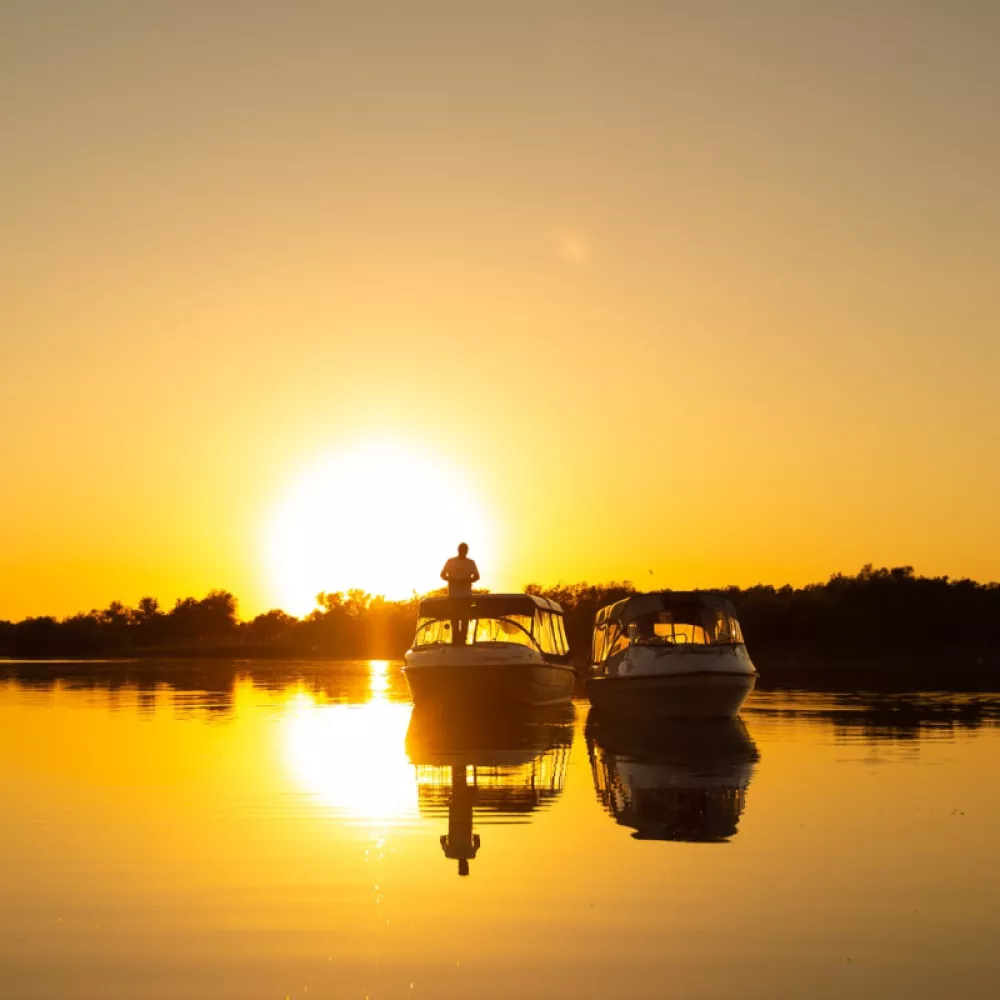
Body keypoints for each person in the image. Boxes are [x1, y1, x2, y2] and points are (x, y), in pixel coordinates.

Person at [440, 543, 480, 644]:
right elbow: (442, 575)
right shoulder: (450, 561)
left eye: (465, 550)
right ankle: (455, 640)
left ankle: (463, 640)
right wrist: (452, 580)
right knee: (454, 619)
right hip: (453, 595)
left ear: (467, 551)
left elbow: (477, 576)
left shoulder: (471, 562)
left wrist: (468, 581)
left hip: (466, 595)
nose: (463, 551)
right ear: (458, 550)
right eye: (462, 549)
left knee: (465, 619)